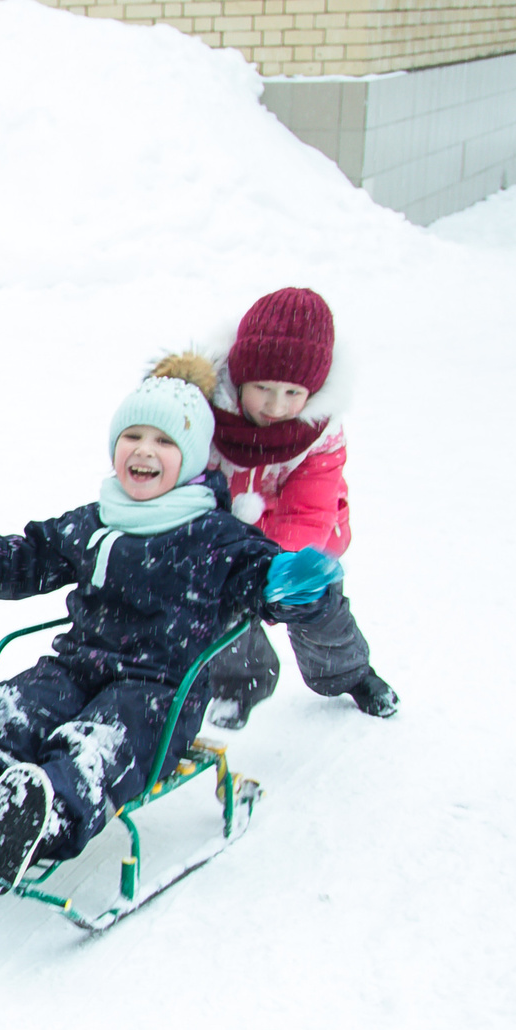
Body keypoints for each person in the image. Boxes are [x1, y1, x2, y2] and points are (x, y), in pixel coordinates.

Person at [0, 369, 344, 893]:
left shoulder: (217, 536)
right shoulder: (96, 519)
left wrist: (289, 583)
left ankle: (39, 820)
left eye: (165, 441)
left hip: (159, 691)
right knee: (15, 708)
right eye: (133, 437)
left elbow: (260, 579)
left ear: (190, 459)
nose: (144, 450)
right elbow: (31, 558)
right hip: (76, 667)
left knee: (100, 741)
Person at [164, 285, 399, 728]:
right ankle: (239, 685)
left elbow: (310, 509)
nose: (275, 406)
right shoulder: (204, 415)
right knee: (218, 608)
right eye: (263, 388)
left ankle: (348, 673)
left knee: (318, 608)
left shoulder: (319, 432)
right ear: (238, 377)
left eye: (293, 392)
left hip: (295, 545)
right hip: (221, 535)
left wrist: (276, 568)